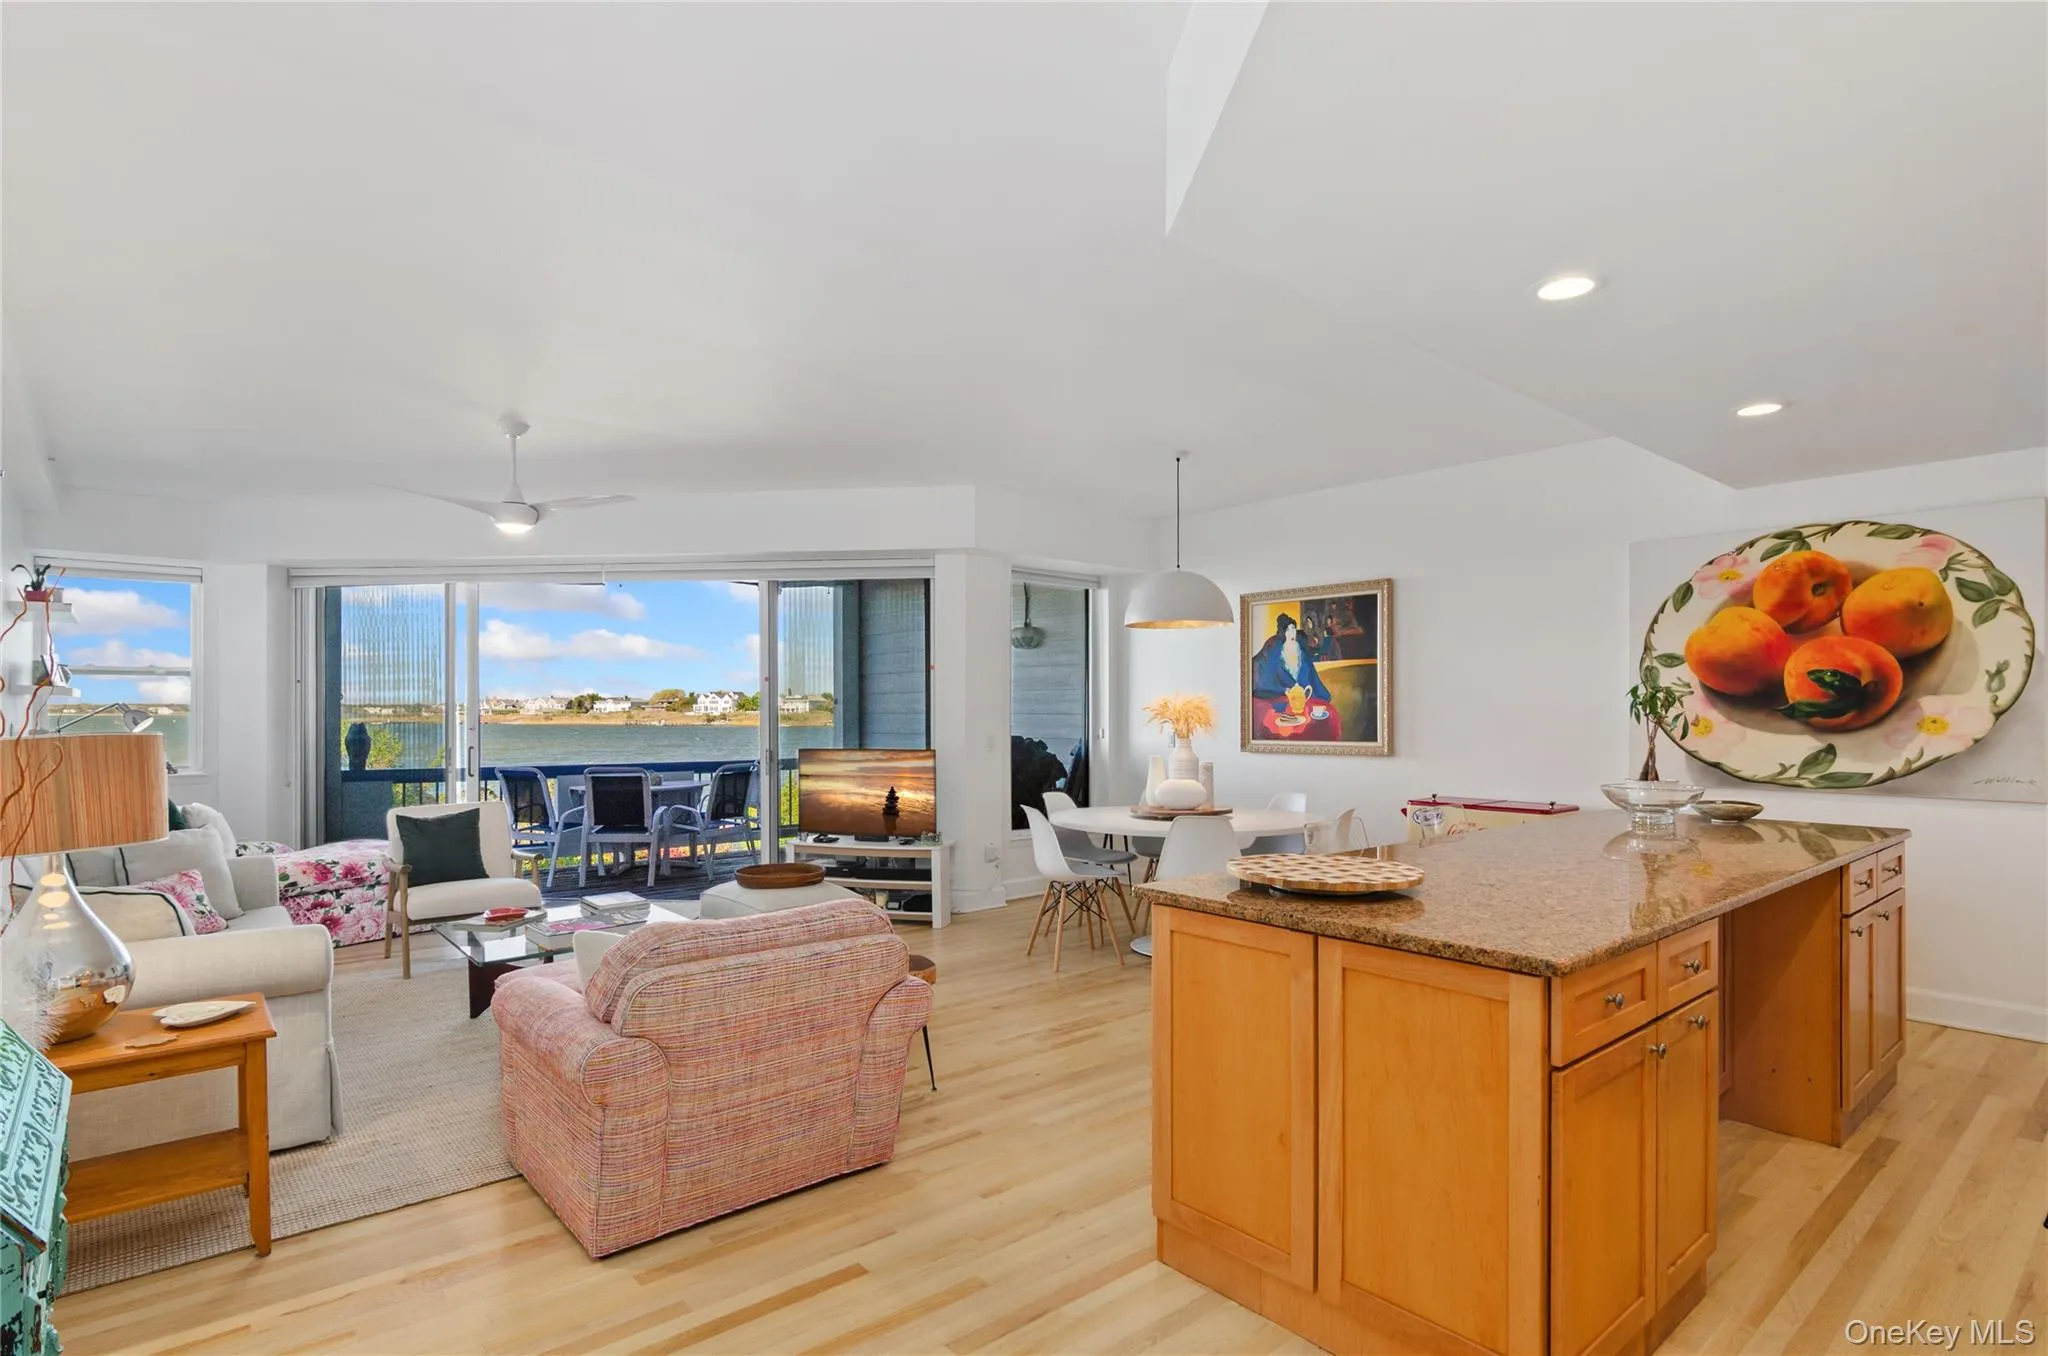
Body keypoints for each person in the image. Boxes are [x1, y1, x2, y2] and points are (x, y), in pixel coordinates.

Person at [1249, 612, 1332, 703]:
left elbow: (1313, 677)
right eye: (1288, 630)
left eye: (1293, 628)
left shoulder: (1302, 652)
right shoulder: (1276, 653)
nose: (1292, 633)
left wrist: (1321, 696)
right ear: (1283, 633)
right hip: (1286, 699)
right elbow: (1266, 681)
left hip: (1307, 698)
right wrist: (1284, 690)